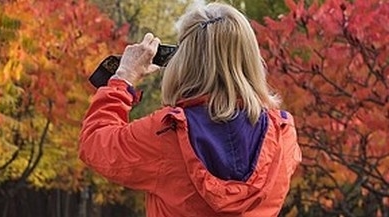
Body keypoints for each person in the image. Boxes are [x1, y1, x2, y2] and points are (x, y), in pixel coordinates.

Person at [79, 2, 302, 217]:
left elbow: (95, 142)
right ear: (251, 60)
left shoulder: (166, 133)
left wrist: (123, 77)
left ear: (184, 60)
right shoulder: (283, 134)